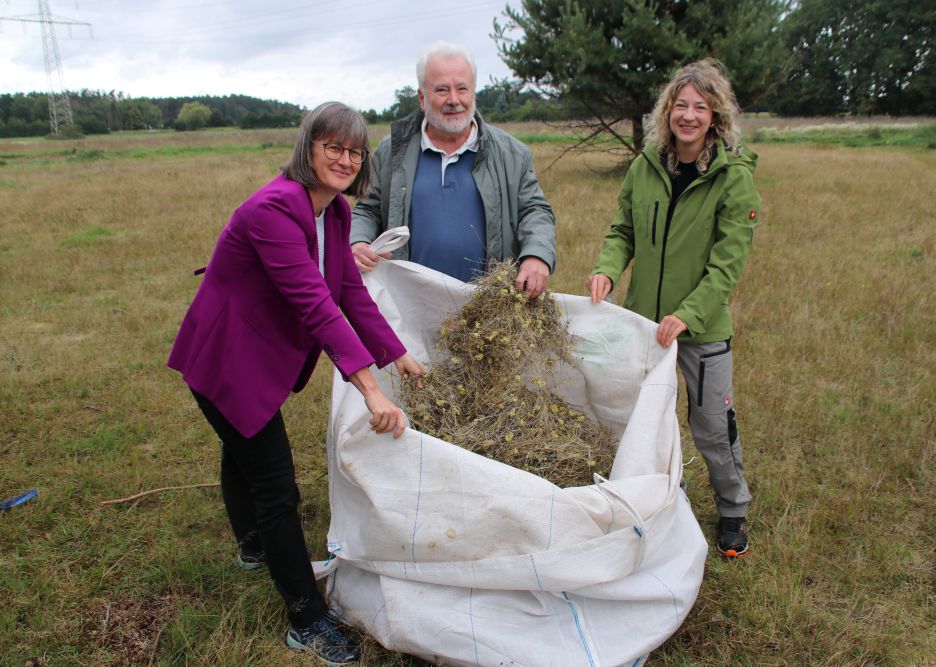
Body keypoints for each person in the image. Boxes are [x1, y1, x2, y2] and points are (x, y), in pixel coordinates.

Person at [167, 102, 423, 665]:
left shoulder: (333, 213)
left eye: (354, 152)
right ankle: (305, 619)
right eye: (332, 146)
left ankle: (253, 545)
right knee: (276, 484)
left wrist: (398, 355)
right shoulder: (273, 210)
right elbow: (315, 306)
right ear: (307, 147)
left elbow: (347, 294)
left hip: (257, 357)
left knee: (244, 452)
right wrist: (369, 388)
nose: (344, 159)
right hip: (224, 358)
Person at [587, 59, 761, 558]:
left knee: (711, 426)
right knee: (648, 420)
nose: (688, 115)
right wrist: (606, 269)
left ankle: (733, 510)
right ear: (667, 111)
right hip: (644, 326)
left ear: (715, 116)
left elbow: (727, 265)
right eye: (680, 105)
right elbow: (622, 230)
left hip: (700, 329)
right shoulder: (645, 168)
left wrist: (689, 313)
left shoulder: (734, 179)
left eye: (699, 107)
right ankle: (663, 500)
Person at [351, 41, 556, 298]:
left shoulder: (513, 154)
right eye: (441, 90)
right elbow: (368, 209)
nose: (454, 100)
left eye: (462, 88)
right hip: (409, 304)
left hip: (488, 307)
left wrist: (537, 255)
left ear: (473, 93)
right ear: (422, 97)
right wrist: (357, 242)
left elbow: (535, 211)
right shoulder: (391, 151)